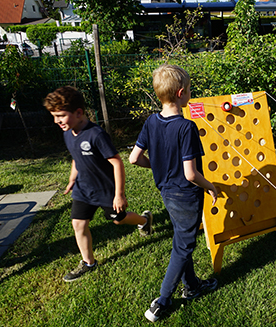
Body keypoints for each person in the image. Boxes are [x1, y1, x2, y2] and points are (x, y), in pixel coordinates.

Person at [129, 64, 219, 323]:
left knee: (182, 239)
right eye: (190, 89)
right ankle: (162, 301)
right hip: (186, 195)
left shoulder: (150, 122)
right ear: (181, 93)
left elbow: (135, 158)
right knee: (184, 245)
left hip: (166, 192)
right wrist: (210, 186)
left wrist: (156, 166)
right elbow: (191, 174)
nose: (191, 93)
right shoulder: (186, 127)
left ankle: (191, 286)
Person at [43, 86, 153, 282]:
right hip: (83, 189)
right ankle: (88, 262)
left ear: (78, 113)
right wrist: (72, 179)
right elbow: (76, 158)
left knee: (118, 220)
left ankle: (144, 221)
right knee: (78, 224)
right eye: (54, 116)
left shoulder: (96, 134)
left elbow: (117, 162)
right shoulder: (68, 132)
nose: (56, 121)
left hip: (105, 191)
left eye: (60, 115)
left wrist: (119, 194)